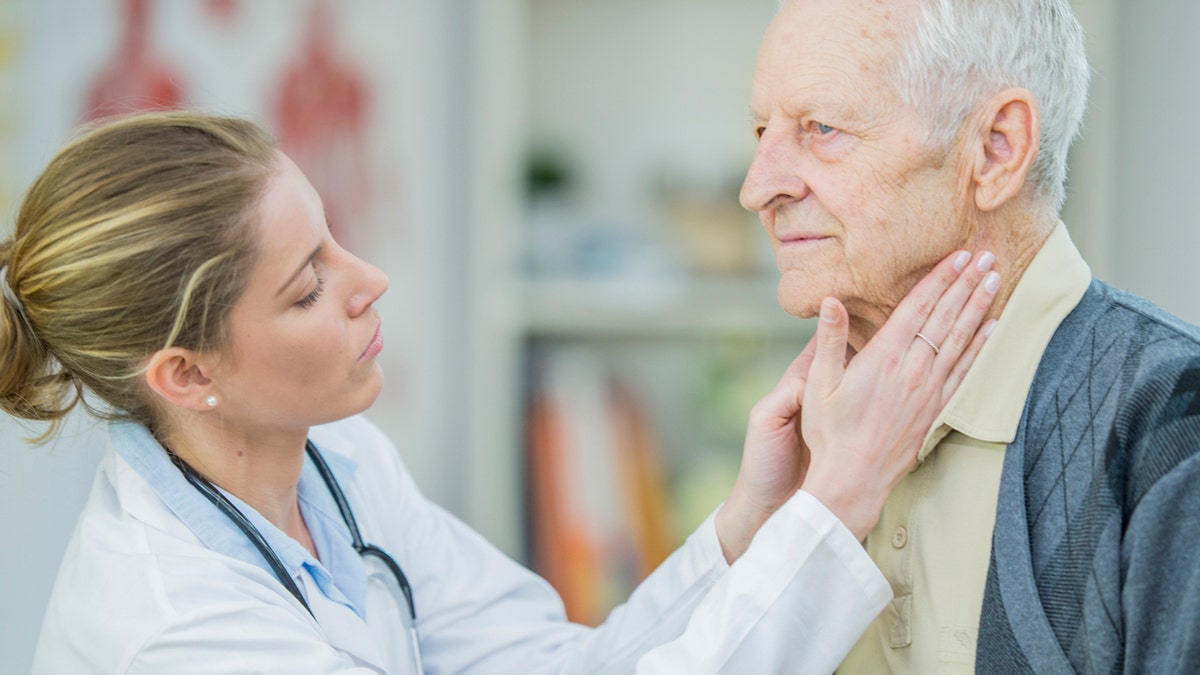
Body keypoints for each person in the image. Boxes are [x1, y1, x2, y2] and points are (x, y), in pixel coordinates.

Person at [0, 111, 999, 673]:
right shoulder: (173, 627)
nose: (368, 282)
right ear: (186, 374)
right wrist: (842, 502)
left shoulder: (335, 463)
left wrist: (751, 521)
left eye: (334, 238)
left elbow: (552, 667)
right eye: (307, 287)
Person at [740, 0, 1200, 673]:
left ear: (996, 150)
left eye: (822, 128)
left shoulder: (1170, 421)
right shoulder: (802, 441)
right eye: (760, 132)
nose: (758, 187)